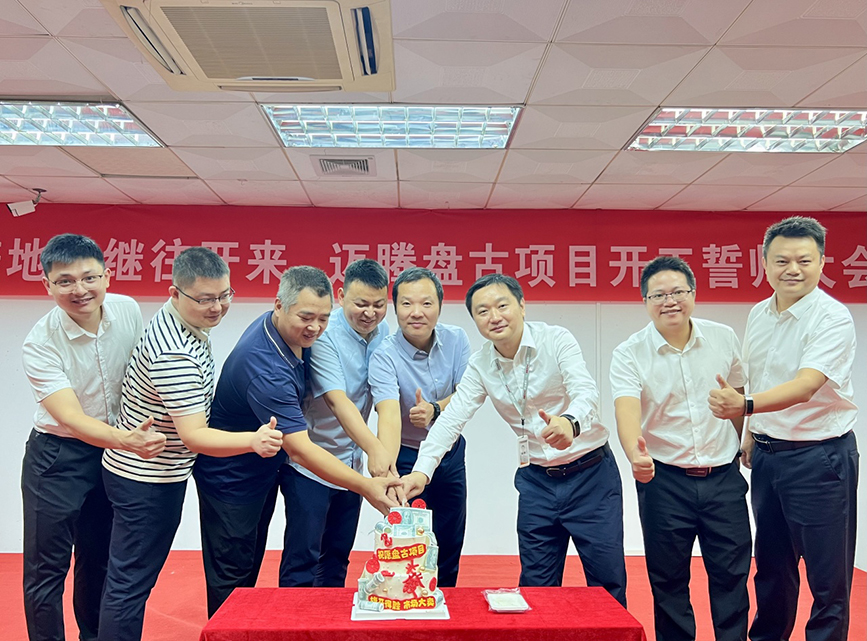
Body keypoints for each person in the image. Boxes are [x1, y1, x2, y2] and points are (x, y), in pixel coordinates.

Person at [402, 273, 627, 606]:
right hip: (537, 482)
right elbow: (451, 419)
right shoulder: (481, 365)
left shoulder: (555, 340)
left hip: (591, 476)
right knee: (536, 587)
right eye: (482, 311)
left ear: (522, 305)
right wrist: (422, 472)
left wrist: (570, 422)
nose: (494, 317)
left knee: (607, 583)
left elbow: (586, 391)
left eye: (502, 306)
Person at [98, 247, 284, 641]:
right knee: (130, 584)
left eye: (224, 295)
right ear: (175, 293)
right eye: (204, 299)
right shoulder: (174, 353)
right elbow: (194, 435)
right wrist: (253, 440)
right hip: (146, 479)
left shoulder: (180, 322)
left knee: (125, 578)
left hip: (152, 471)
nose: (217, 307)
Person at [193, 265, 399, 615]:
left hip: (265, 467)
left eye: (322, 318)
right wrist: (366, 485)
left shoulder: (289, 333)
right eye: (306, 317)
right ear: (279, 305)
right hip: (232, 479)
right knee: (234, 575)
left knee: (256, 563)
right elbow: (301, 449)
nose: (315, 327)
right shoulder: (266, 367)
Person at [709, 216, 859, 641]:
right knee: (772, 567)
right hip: (769, 457)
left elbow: (806, 385)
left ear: (822, 262)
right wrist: (749, 432)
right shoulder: (759, 313)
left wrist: (745, 407)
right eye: (781, 261)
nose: (793, 269)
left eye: (804, 261)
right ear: (764, 262)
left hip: (820, 459)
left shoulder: (832, 317)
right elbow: (759, 377)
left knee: (828, 578)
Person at [21, 234, 165, 641]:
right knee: (46, 571)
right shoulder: (40, 343)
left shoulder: (127, 310)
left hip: (113, 454)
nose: (79, 290)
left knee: (99, 557)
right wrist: (126, 440)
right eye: (65, 281)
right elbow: (70, 417)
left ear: (107, 276)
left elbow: (142, 374)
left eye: (89, 278)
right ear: (47, 285)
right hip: (57, 458)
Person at [611, 256, 750, 641]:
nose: (669, 301)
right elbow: (626, 408)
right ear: (645, 301)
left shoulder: (723, 337)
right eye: (658, 295)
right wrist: (634, 454)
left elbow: (738, 392)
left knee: (732, 576)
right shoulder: (630, 352)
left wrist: (744, 440)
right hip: (664, 480)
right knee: (668, 581)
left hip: (723, 479)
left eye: (678, 292)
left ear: (694, 293)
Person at [280, 259, 398, 588]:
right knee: (303, 559)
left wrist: (384, 460)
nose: (370, 313)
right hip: (312, 463)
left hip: (351, 463)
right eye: (361, 303)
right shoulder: (324, 335)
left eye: (378, 304)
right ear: (342, 296)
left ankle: (328, 618)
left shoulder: (383, 333)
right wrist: (375, 448)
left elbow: (386, 399)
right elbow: (337, 400)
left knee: (337, 557)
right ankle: (293, 619)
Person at [368, 267, 471, 587]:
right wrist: (388, 469)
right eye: (407, 303)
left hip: (449, 453)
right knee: (408, 541)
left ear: (440, 305)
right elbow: (387, 414)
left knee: (450, 536)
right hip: (406, 455)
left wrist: (435, 408)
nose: (416, 312)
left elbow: (468, 393)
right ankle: (407, 601)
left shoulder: (457, 339)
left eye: (426, 303)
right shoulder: (383, 354)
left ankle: (445, 600)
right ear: (395, 307)